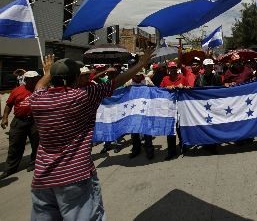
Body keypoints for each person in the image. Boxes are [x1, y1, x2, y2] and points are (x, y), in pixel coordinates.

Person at [29, 49, 153, 220]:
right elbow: (115, 83)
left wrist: (49, 71)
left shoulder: (37, 99)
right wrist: (140, 64)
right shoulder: (84, 95)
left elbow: (39, 86)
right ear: (74, 78)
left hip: (43, 179)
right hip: (75, 176)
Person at [0, 71, 41, 179]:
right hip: (19, 120)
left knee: (36, 143)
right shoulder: (17, 90)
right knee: (15, 145)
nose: (34, 81)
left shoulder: (40, 90)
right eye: (32, 79)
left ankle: (34, 163)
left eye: (36, 79)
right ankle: (10, 168)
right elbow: (9, 105)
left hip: (34, 121)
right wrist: (4, 118)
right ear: (26, 80)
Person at [160, 61, 190, 160]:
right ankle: (171, 151)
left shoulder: (182, 77)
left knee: (180, 129)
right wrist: (166, 88)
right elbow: (159, 91)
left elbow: (190, 89)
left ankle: (183, 146)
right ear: (168, 69)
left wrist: (184, 87)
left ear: (176, 68)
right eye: (170, 68)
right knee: (170, 131)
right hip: (169, 109)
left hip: (181, 108)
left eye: (174, 68)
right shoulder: (165, 79)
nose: (172, 70)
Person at [125, 71, 155, 160]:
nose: (137, 77)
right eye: (136, 76)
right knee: (134, 132)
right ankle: (136, 149)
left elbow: (154, 91)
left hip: (145, 109)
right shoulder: (129, 82)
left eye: (139, 76)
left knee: (147, 131)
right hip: (133, 110)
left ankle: (149, 151)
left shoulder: (147, 80)